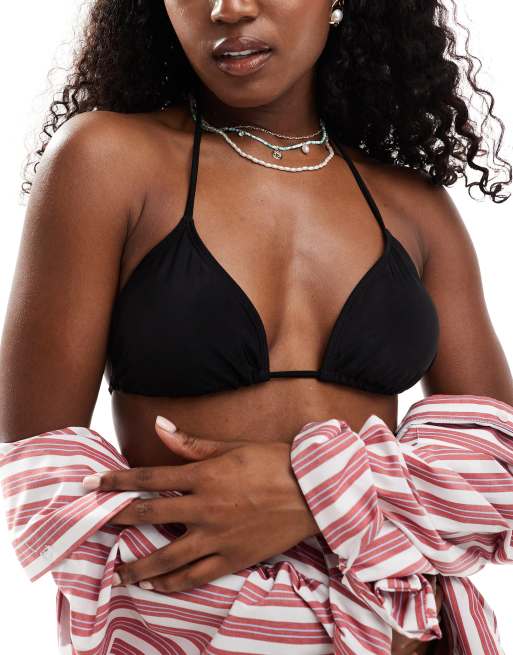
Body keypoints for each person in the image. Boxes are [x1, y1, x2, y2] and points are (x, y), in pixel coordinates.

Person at [1, 1, 511, 653]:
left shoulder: (413, 204)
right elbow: (42, 474)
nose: (229, 8)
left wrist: (309, 492)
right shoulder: (106, 160)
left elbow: (497, 464)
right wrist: (280, 614)